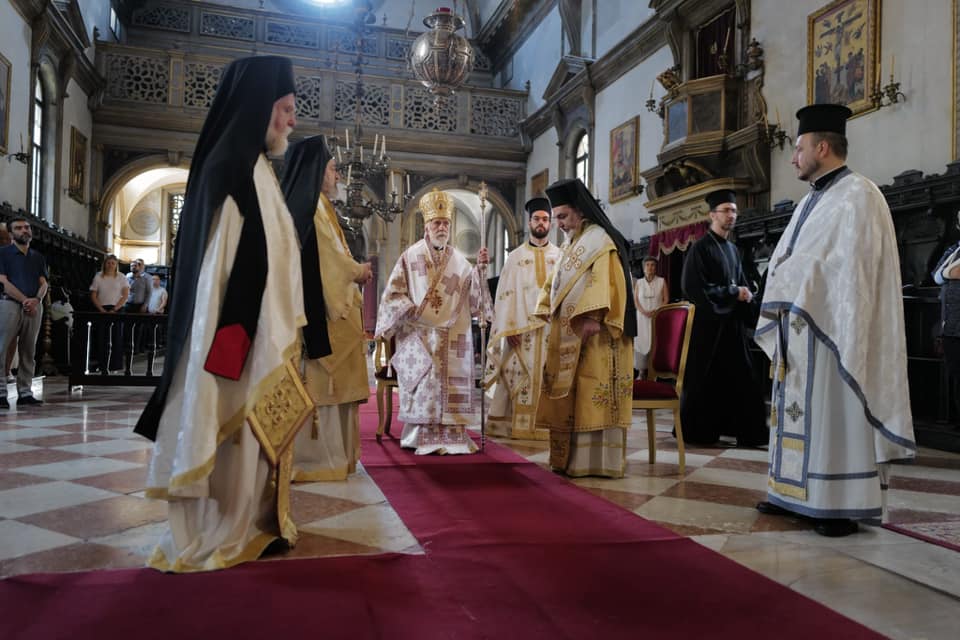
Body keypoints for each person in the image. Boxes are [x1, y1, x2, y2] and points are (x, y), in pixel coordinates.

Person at [133, 55, 309, 571]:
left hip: (260, 329)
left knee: (251, 439)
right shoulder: (231, 169)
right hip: (233, 332)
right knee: (228, 426)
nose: (292, 121)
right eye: (285, 109)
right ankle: (221, 525)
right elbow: (218, 271)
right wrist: (238, 339)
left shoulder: (256, 168)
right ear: (260, 108)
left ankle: (247, 519)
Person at [755, 104, 916, 537]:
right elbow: (789, 258)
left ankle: (838, 503)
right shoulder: (815, 199)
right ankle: (790, 492)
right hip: (803, 327)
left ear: (822, 147)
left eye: (799, 148)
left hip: (835, 331)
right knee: (797, 411)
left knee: (833, 413)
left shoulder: (859, 196)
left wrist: (790, 275)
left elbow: (853, 269)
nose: (793, 158)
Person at [280, 135, 372, 480]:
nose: (338, 177)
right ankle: (320, 460)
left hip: (331, 312)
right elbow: (330, 262)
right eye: (333, 170)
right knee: (323, 385)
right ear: (318, 171)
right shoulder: (312, 208)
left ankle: (338, 458)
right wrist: (359, 271)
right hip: (323, 316)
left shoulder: (319, 205)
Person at [533, 178, 637, 478]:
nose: (560, 225)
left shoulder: (600, 240)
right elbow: (555, 282)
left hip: (598, 333)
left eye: (563, 217)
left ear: (580, 211)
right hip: (570, 333)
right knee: (575, 396)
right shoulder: (574, 242)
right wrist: (544, 306)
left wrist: (592, 316)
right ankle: (569, 460)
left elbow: (606, 280)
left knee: (592, 394)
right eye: (557, 219)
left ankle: (594, 462)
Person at [375, 188, 492, 455]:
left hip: (453, 336)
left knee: (450, 382)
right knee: (425, 382)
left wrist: (480, 272)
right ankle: (421, 435)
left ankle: (454, 436)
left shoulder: (461, 263)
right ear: (426, 227)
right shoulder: (410, 257)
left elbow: (475, 301)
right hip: (420, 336)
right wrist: (413, 312)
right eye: (436, 223)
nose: (441, 227)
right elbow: (392, 295)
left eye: (445, 223)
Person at [679, 189, 768, 448]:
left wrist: (748, 297)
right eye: (726, 210)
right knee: (708, 382)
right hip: (708, 331)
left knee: (745, 379)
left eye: (734, 210)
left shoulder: (733, 249)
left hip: (732, 328)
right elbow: (694, 290)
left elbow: (741, 285)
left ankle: (750, 435)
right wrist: (733, 292)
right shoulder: (699, 249)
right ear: (712, 215)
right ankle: (700, 432)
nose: (731, 215)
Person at [484, 197, 561, 440]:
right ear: (529, 222)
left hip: (550, 330)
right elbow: (505, 295)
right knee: (517, 375)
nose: (541, 223)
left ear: (551, 223)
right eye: (537, 219)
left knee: (548, 377)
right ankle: (511, 425)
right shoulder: (515, 257)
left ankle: (544, 425)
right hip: (520, 330)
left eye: (545, 219)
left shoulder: (560, 256)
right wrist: (510, 329)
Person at [0, 216, 48, 408]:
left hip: (34, 306)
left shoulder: (38, 256)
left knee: (28, 350)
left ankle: (25, 392)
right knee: (1, 349)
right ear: (11, 234)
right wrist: (25, 299)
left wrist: (37, 299)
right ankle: (1, 393)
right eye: (19, 228)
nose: (24, 230)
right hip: (9, 304)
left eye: (27, 227)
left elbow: (44, 283)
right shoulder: (3, 253)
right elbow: (2, 281)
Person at [89, 254, 129, 373]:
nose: (110, 265)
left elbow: (125, 295)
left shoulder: (121, 277)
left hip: (116, 309)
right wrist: (101, 309)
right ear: (104, 264)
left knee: (116, 336)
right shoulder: (99, 276)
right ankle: (101, 364)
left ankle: (115, 365)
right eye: (108, 262)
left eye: (113, 263)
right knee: (101, 337)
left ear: (116, 264)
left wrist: (115, 309)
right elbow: (93, 295)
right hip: (102, 308)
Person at [634, 255, 668, 377]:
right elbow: (636, 301)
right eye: (647, 265)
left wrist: (656, 311)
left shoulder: (662, 281)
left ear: (656, 268)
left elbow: (666, 299)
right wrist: (643, 311)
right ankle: (641, 372)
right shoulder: (639, 282)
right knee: (641, 342)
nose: (650, 267)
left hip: (656, 318)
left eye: (653, 265)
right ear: (643, 268)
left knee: (656, 342)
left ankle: (655, 372)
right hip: (641, 318)